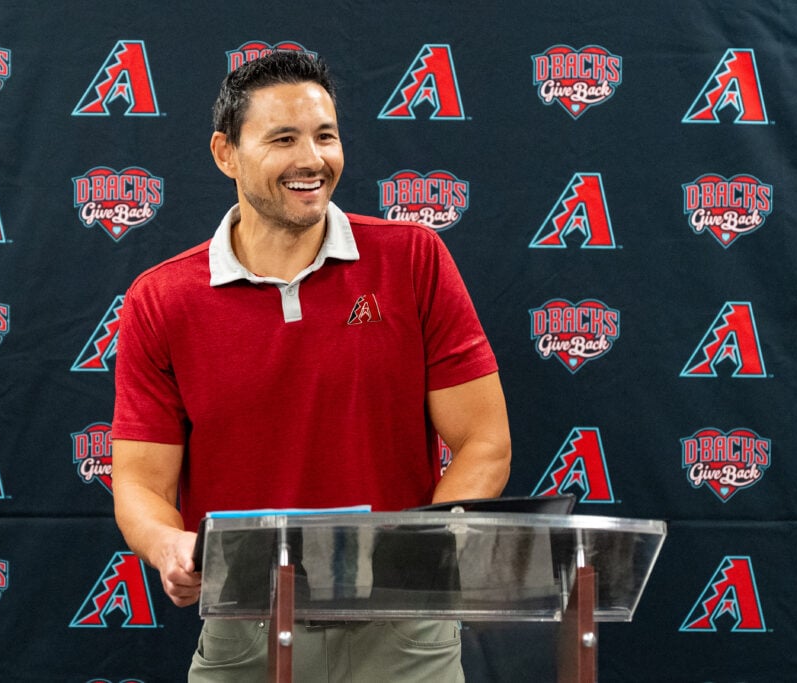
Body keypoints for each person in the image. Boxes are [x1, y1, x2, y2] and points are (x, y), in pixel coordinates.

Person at [111, 50, 511, 682]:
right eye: (283, 139)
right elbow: (141, 483)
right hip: (246, 626)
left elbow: (484, 442)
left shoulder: (414, 259)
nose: (312, 159)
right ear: (226, 154)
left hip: (404, 629)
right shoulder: (161, 299)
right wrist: (170, 547)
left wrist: (421, 552)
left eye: (325, 135)